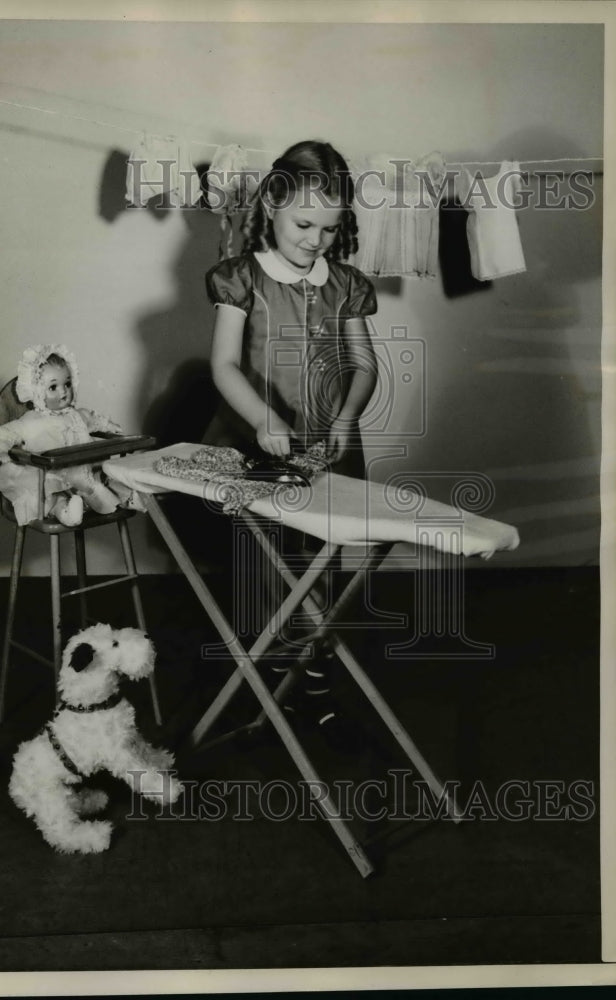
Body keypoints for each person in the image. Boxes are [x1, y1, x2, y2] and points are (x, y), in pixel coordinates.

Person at [203, 140, 379, 751]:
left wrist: (347, 417)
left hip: (328, 445)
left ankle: (316, 688)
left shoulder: (347, 284)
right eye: (305, 224)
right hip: (261, 447)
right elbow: (224, 365)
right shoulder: (242, 278)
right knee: (266, 566)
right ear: (273, 206)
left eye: (330, 229)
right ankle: (271, 688)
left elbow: (363, 365)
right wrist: (260, 417)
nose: (315, 240)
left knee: (319, 569)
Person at [0, 344, 123, 526]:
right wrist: (1, 447)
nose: (63, 391)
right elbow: (7, 432)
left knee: (100, 484)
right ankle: (67, 513)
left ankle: (120, 499)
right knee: (54, 496)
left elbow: (93, 419)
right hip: (52, 475)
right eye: (53, 387)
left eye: (67, 384)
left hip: (82, 473)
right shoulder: (32, 421)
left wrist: (108, 425)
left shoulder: (76, 415)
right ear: (37, 392)